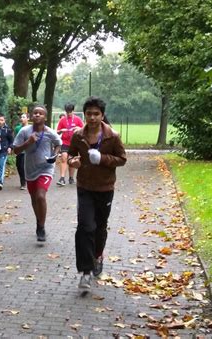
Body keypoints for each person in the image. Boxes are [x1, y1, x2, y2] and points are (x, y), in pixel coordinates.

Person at [67, 96, 126, 289]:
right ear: (84, 115)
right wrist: (72, 162)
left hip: (105, 188)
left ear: (102, 115)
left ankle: (98, 255)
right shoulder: (78, 135)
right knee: (85, 226)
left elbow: (122, 159)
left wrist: (102, 158)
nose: (92, 118)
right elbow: (71, 154)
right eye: (88, 114)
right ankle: (85, 271)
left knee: (100, 227)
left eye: (96, 114)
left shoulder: (112, 136)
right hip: (84, 187)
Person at [13, 105, 62, 242]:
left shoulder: (50, 132)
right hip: (30, 170)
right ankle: (38, 221)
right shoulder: (24, 131)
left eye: (40, 113)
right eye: (35, 113)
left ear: (45, 117)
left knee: (41, 196)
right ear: (31, 116)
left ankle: (41, 226)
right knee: (34, 199)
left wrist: (55, 154)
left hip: (46, 169)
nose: (37, 115)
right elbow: (16, 150)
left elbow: (59, 143)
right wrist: (28, 142)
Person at [56, 103, 84, 186]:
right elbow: (57, 131)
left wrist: (79, 129)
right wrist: (61, 130)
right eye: (67, 112)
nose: (68, 113)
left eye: (70, 112)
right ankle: (62, 178)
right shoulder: (62, 120)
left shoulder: (78, 119)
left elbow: (84, 130)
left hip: (74, 143)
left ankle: (71, 178)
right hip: (65, 142)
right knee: (64, 158)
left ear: (73, 111)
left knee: (71, 160)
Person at [14, 113, 29, 190]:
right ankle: (22, 181)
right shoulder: (17, 128)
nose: (22, 118)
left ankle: (24, 183)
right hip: (19, 150)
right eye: (21, 117)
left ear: (28, 119)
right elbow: (15, 139)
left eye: (24, 117)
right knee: (18, 166)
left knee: (23, 166)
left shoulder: (30, 128)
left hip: (27, 151)